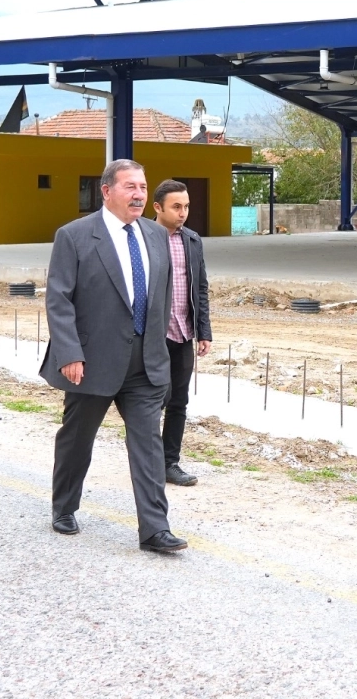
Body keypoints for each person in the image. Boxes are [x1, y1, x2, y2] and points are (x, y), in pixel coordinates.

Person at [42, 158, 186, 554]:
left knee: (148, 444)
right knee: (77, 438)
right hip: (91, 360)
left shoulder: (156, 235)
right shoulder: (74, 236)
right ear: (107, 191)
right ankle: (64, 506)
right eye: (130, 187)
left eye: (143, 187)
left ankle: (155, 529)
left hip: (145, 362)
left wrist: (162, 347)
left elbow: (162, 297)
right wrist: (69, 352)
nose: (139, 194)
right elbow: (59, 299)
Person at [150, 179, 211, 487]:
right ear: (157, 207)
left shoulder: (192, 240)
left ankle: (169, 463)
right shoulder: (143, 238)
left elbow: (200, 288)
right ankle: (147, 461)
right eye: (176, 207)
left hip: (183, 333)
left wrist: (204, 331)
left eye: (186, 206)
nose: (183, 212)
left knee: (178, 402)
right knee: (152, 400)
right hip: (153, 336)